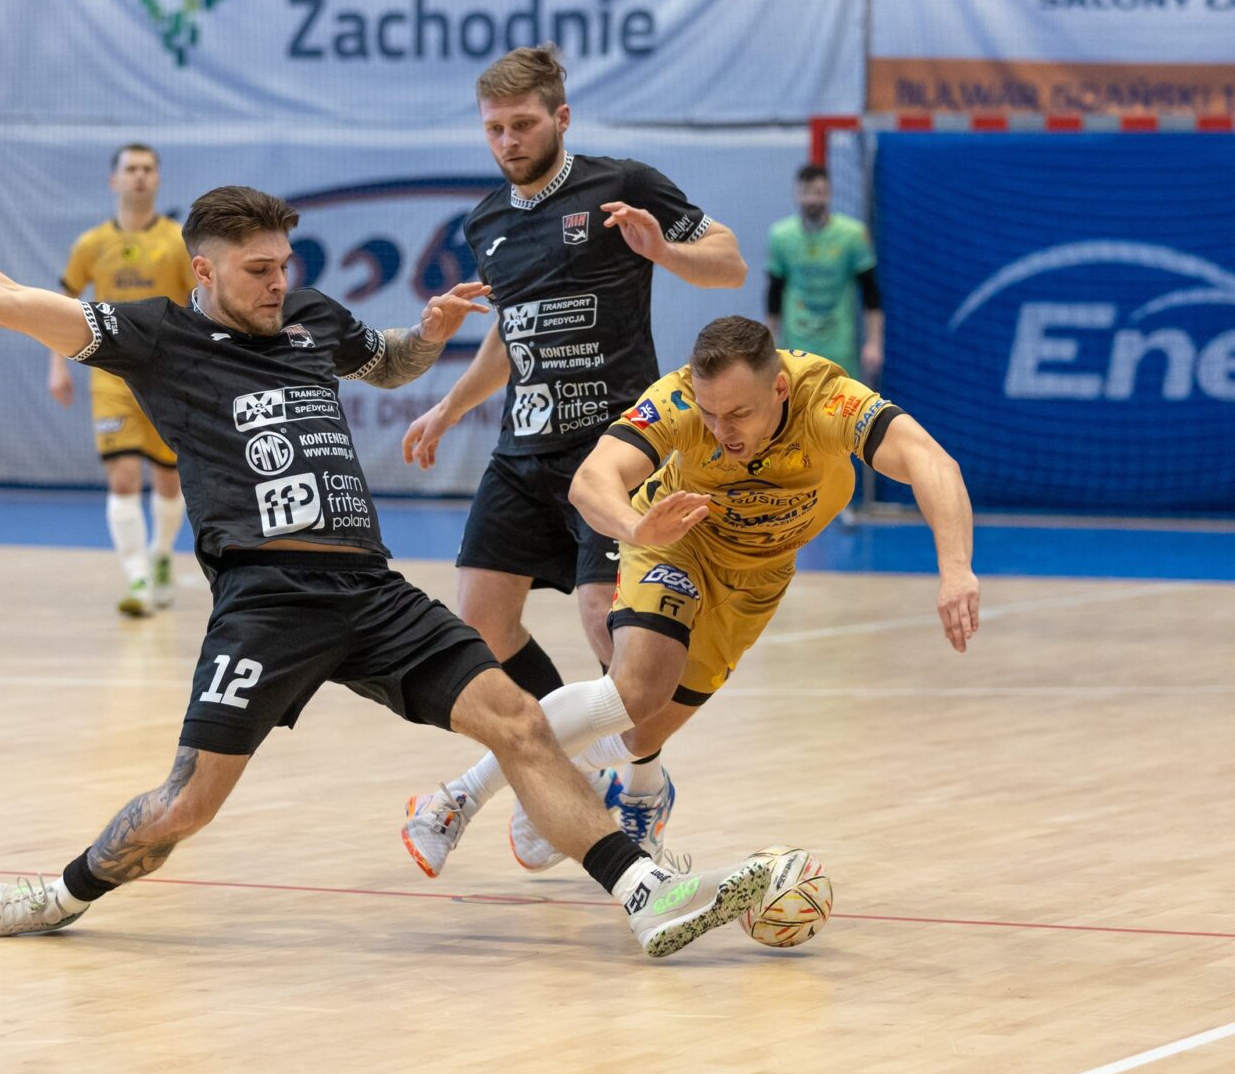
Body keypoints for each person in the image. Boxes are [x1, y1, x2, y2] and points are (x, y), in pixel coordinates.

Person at [0, 186, 773, 959]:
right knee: (186, 806)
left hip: (369, 589)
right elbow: (6, 299)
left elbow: (383, 362)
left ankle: (642, 895)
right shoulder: (157, 337)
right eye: (257, 268)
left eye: (284, 263)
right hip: (265, 602)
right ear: (204, 272)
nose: (277, 280)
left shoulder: (304, 315)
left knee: (517, 720)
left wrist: (427, 336)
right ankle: (59, 892)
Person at [403, 315, 978, 879]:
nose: (721, 430)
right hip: (675, 542)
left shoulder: (827, 401)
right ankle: (457, 799)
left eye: (738, 414)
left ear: (779, 388)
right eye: (710, 413)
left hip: (756, 578)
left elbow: (931, 461)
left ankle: (585, 776)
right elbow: (591, 480)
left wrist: (955, 570)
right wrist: (635, 528)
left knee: (638, 735)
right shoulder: (677, 401)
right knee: (637, 687)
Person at [402, 43, 746, 851]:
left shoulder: (622, 186)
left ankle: (644, 787)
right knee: (481, 627)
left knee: (607, 624)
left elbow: (726, 263)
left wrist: (664, 251)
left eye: (523, 124)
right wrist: (449, 407)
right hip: (522, 453)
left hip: (613, 448)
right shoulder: (485, 223)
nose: (508, 141)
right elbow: (512, 338)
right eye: (494, 128)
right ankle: (575, 777)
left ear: (560, 118)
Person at [48, 143, 195, 616]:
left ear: (158, 179)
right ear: (114, 180)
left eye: (148, 169)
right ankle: (136, 579)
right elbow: (61, 305)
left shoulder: (177, 242)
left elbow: (199, 309)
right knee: (124, 477)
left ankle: (160, 558)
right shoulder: (91, 244)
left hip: (169, 377)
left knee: (169, 483)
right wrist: (57, 365)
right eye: (130, 169)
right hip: (112, 375)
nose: (139, 176)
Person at [767, 163, 882, 383]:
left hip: (839, 344)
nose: (812, 200)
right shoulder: (781, 236)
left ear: (829, 194)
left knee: (841, 408)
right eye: (806, 192)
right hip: (796, 343)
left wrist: (874, 343)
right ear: (796, 193)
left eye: (818, 193)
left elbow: (871, 293)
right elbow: (774, 293)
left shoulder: (853, 235)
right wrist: (769, 342)